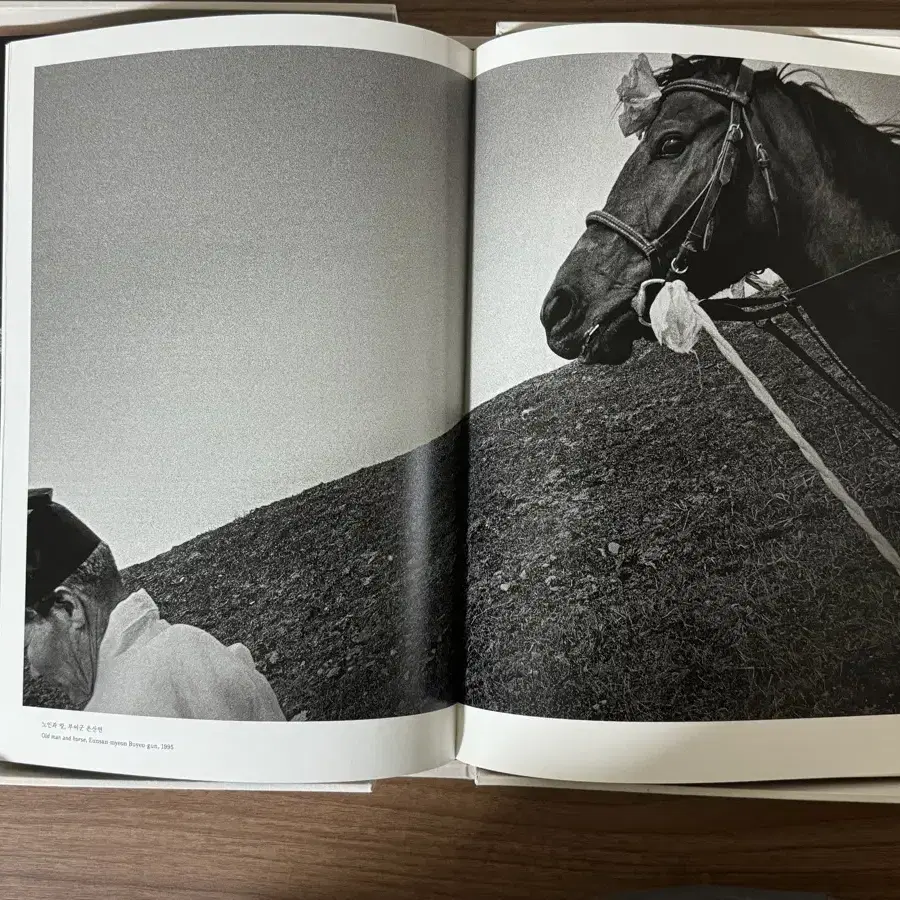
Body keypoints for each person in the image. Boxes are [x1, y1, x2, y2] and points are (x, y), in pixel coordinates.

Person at [24, 488, 286, 721]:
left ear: (68, 608)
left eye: (25, 645)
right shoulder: (197, 648)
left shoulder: (118, 718)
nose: (33, 671)